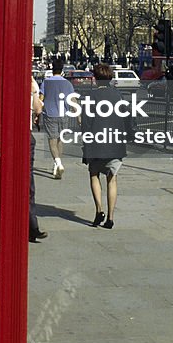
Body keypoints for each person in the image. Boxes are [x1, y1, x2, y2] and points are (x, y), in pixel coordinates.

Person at [82, 62, 133, 229]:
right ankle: (110, 218)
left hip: (96, 143)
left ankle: (99, 210)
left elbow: (86, 124)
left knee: (94, 175)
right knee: (112, 179)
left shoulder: (90, 97)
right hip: (115, 144)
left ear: (96, 79)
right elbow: (127, 118)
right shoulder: (118, 96)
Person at [40, 58, 76, 177]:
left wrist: (36, 113)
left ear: (52, 68)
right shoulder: (67, 83)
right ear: (62, 69)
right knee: (60, 140)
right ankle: (57, 164)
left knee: (52, 140)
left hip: (50, 114)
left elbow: (41, 98)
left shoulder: (46, 82)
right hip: (63, 113)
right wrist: (78, 114)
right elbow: (72, 100)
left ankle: (58, 163)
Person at [29, 76, 48, 243]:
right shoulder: (32, 82)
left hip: (1, 135)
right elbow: (37, 109)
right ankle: (32, 226)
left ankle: (31, 226)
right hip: (25, 136)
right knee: (28, 186)